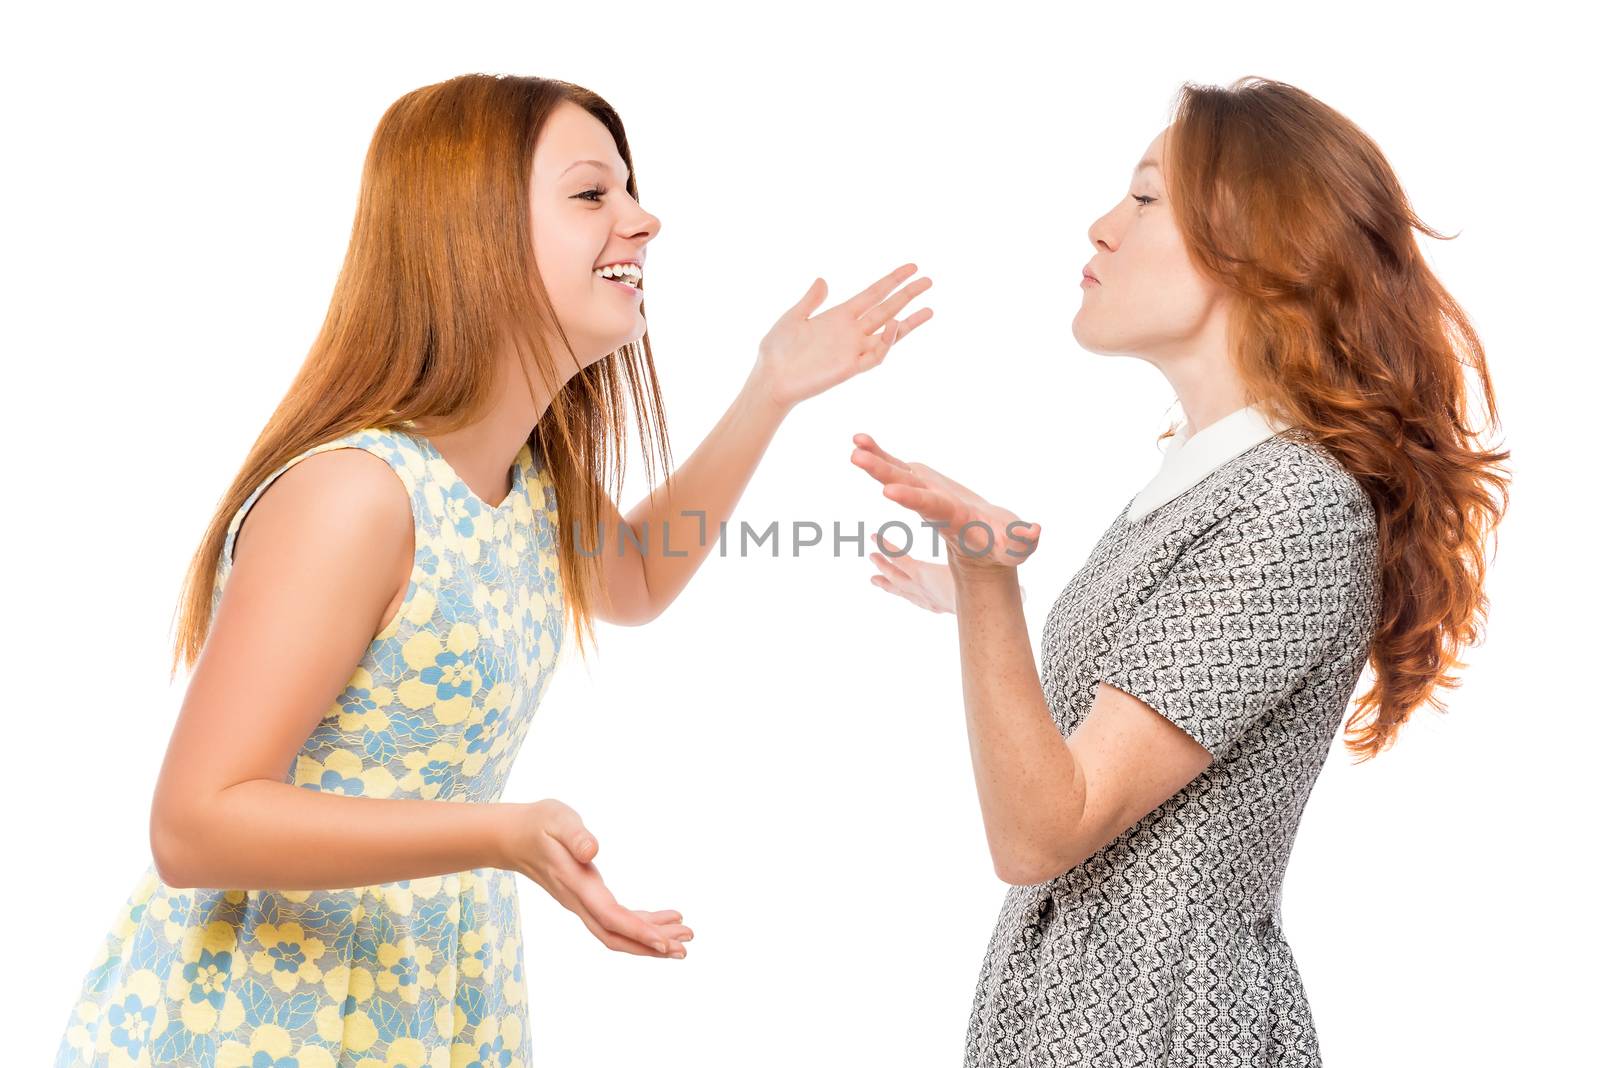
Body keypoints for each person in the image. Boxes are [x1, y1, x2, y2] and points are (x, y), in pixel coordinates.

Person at [53, 73, 932, 1068]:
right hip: (266, 1018)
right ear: (473, 232)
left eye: (628, 190)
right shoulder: (356, 497)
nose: (644, 221)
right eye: (592, 194)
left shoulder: (531, 475)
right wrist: (498, 834)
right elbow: (194, 826)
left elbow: (635, 579)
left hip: (428, 992)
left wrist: (771, 390)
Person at [852, 76, 1510, 1067]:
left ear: (1256, 245)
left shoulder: (1291, 510)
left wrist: (990, 587)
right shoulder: (1201, 490)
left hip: (1160, 1031)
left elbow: (1043, 831)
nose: (1101, 226)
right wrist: (980, 606)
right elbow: (1118, 722)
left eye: (1145, 197)